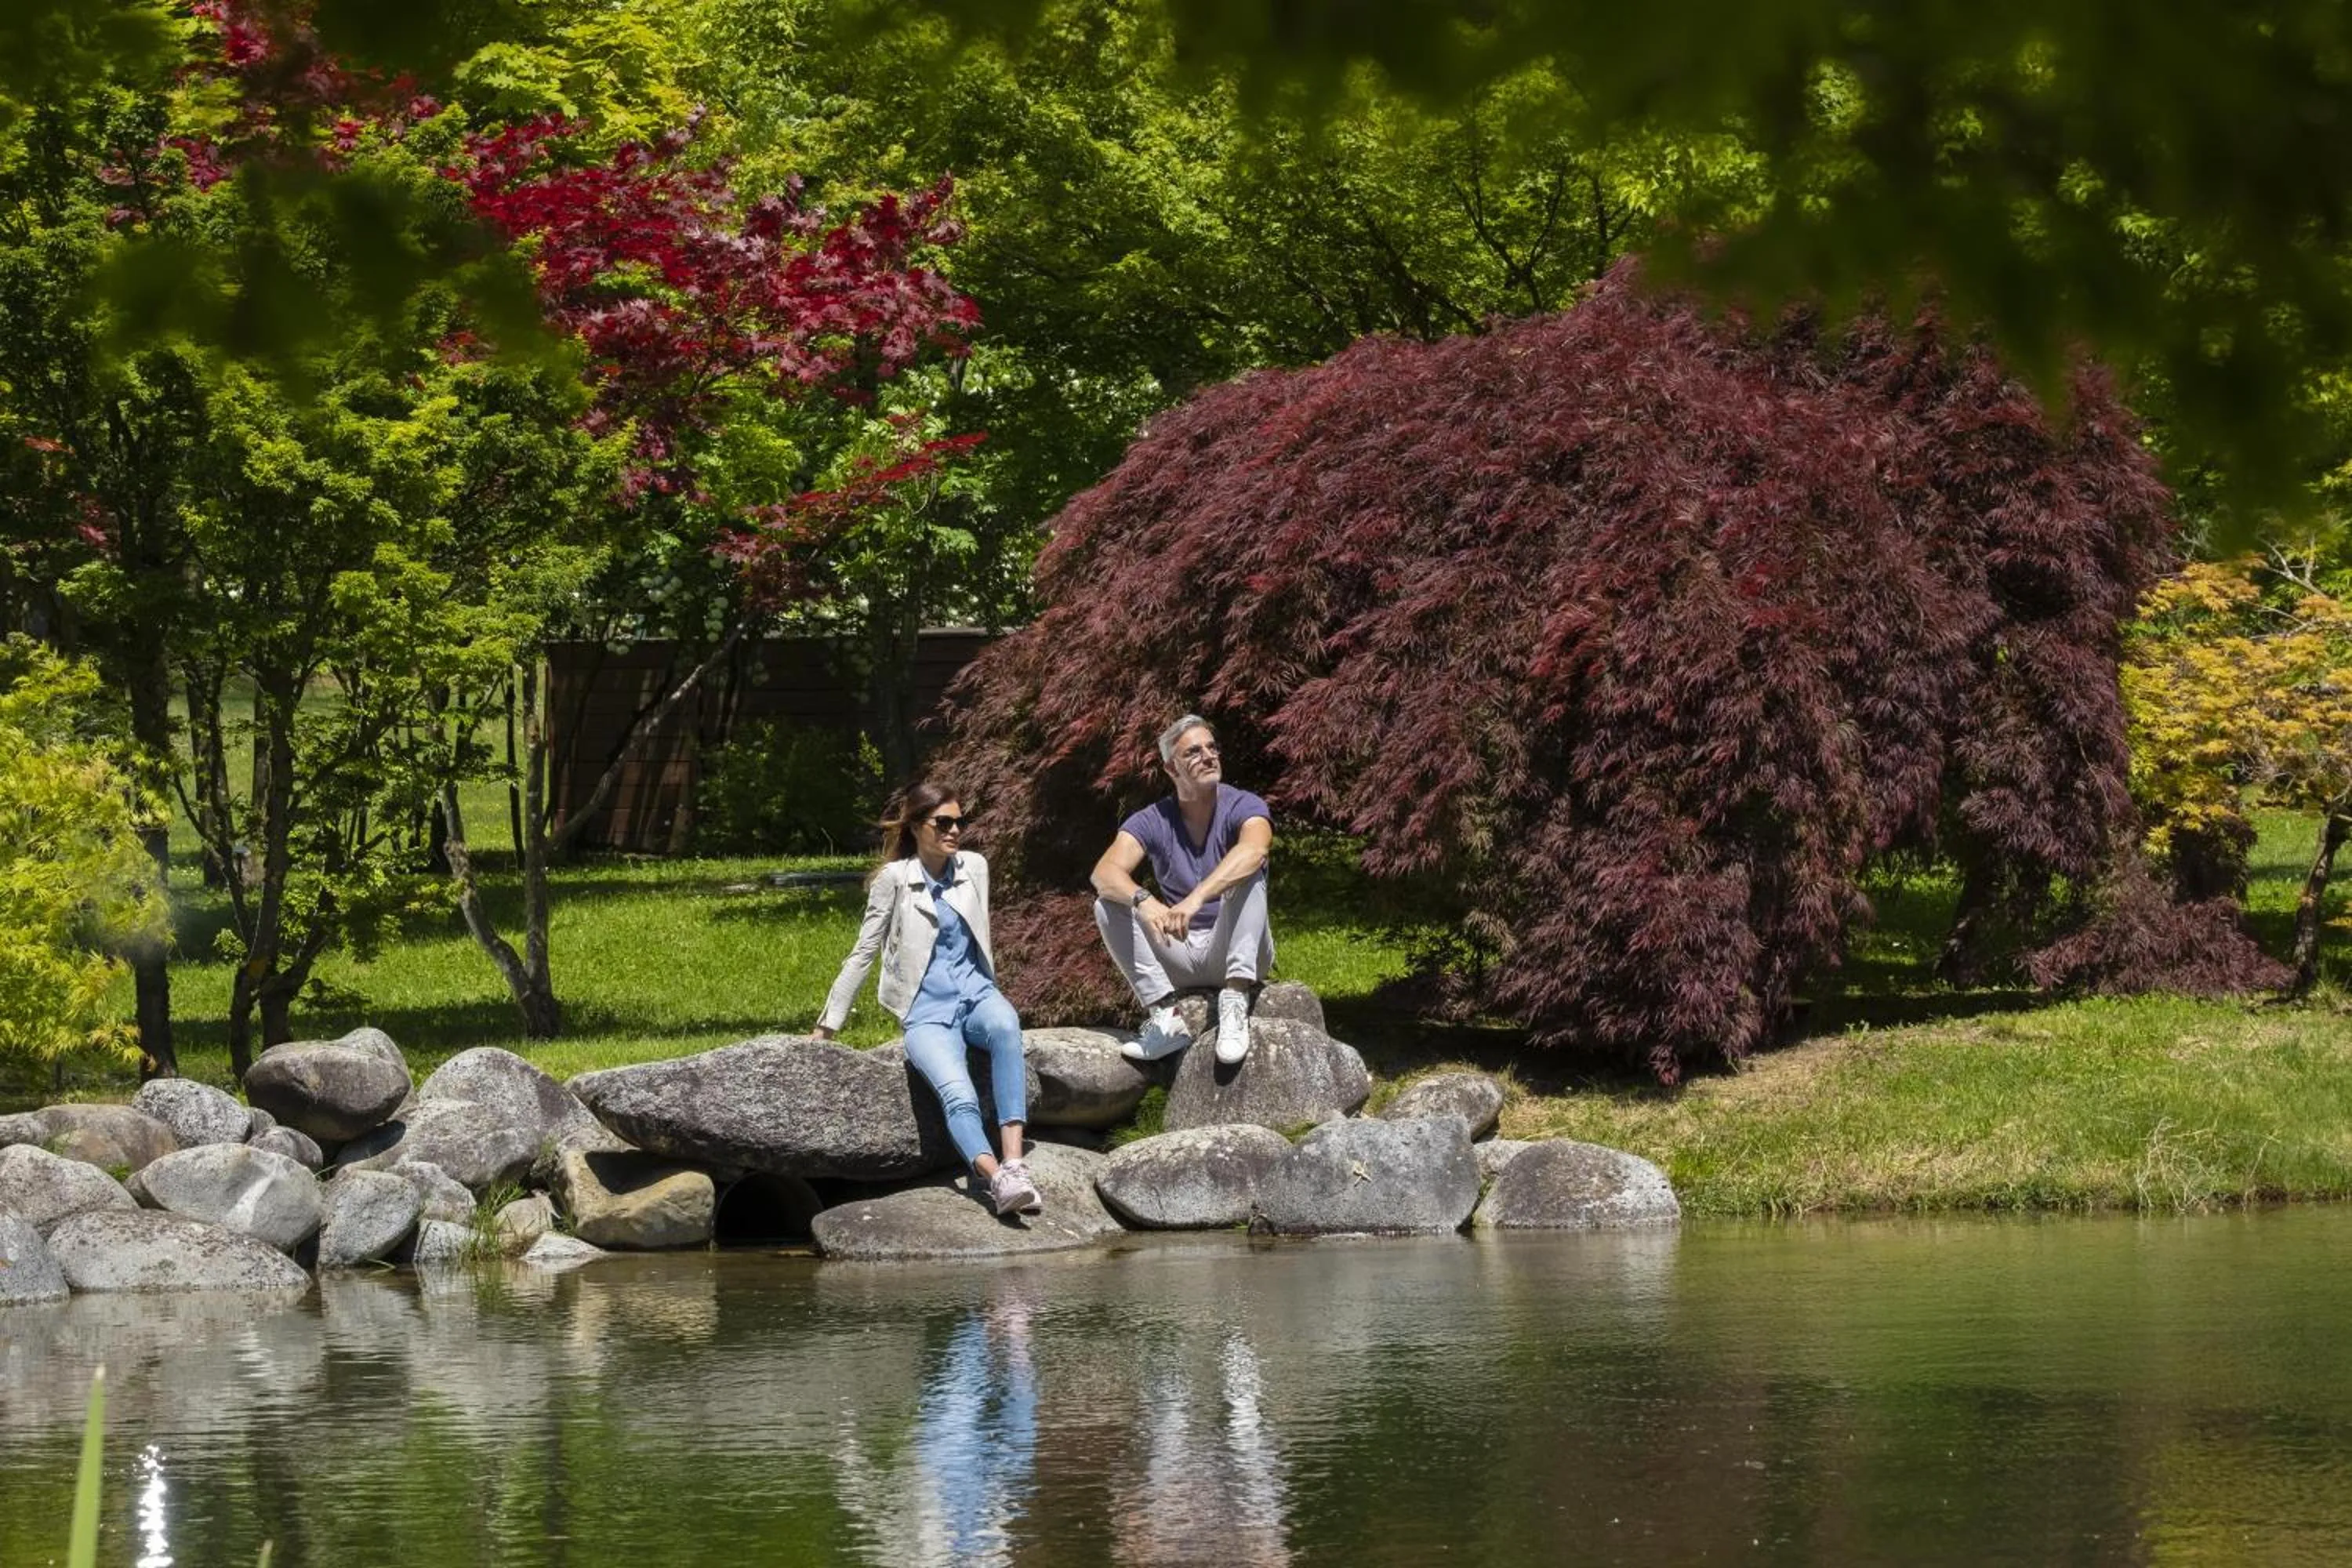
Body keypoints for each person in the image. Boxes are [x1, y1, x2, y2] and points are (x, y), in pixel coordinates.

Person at [815, 781, 1042, 1217]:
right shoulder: (895, 880)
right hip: (926, 1011)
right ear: (918, 828)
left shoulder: (974, 867)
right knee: (959, 1095)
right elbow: (865, 951)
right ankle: (995, 1179)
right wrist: (827, 1026)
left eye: (960, 821)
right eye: (943, 823)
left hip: (977, 995)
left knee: (1006, 1027)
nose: (955, 830)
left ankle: (1015, 1164)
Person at [1090, 713, 1275, 1065]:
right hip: (1179, 949)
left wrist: (1197, 898)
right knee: (1108, 903)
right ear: (1171, 769)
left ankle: (1235, 1000)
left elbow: (1255, 849)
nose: (1208, 756)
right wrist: (1146, 903)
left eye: (1212, 747)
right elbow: (1104, 872)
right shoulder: (1152, 819)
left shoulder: (1244, 804)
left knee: (1249, 873)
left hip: (1235, 946)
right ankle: (1165, 1017)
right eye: (1193, 752)